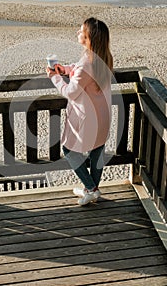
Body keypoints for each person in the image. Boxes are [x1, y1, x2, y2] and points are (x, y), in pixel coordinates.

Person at [47, 17, 113, 206]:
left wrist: (54, 77)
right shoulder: (103, 57)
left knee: (68, 149)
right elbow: (79, 70)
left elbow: (70, 92)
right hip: (103, 116)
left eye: (81, 31)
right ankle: (90, 189)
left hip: (89, 119)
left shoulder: (87, 64)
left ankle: (91, 189)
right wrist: (65, 70)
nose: (77, 32)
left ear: (89, 39)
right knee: (97, 150)